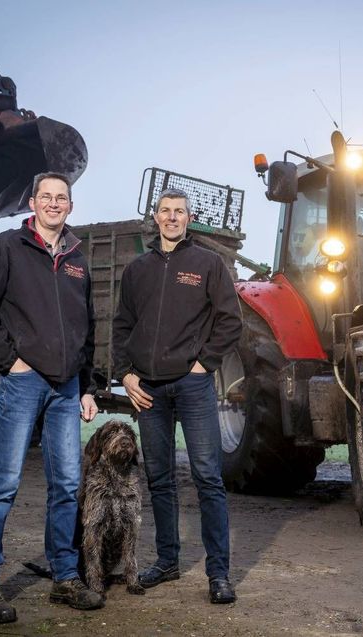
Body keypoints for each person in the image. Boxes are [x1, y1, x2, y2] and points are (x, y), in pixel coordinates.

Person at [0, 172, 102, 624]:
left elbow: (87, 328)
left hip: (66, 388)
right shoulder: (7, 247)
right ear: (33, 202)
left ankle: (65, 577)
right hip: (23, 383)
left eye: (61, 198)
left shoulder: (79, 258)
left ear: (70, 206)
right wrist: (10, 361)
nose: (54, 204)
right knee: (3, 484)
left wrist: (86, 386)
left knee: (66, 485)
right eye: (47, 197)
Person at [112, 187, 242, 604]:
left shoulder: (208, 264)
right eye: (165, 211)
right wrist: (126, 375)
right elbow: (121, 327)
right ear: (156, 216)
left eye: (179, 212)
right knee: (160, 478)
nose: (172, 218)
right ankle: (167, 561)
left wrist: (204, 364)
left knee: (207, 476)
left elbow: (229, 320)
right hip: (148, 388)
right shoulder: (137, 270)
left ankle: (218, 574)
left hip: (192, 384)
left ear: (189, 219)